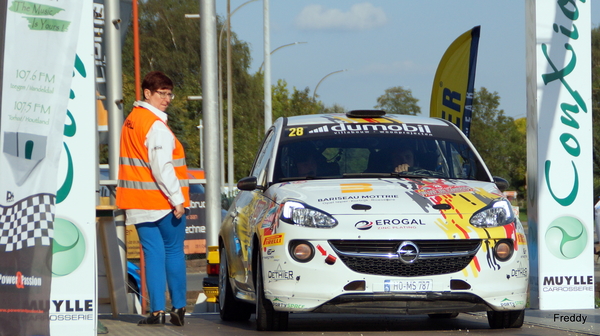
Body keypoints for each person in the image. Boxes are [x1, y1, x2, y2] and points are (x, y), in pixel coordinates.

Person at [116, 71, 189, 326]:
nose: (167, 99)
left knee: (153, 256)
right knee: (173, 253)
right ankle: (178, 308)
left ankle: (156, 311)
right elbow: (162, 167)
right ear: (147, 93)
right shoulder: (156, 125)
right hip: (164, 203)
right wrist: (177, 199)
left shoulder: (131, 121)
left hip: (138, 203)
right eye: (162, 93)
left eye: (170, 93)